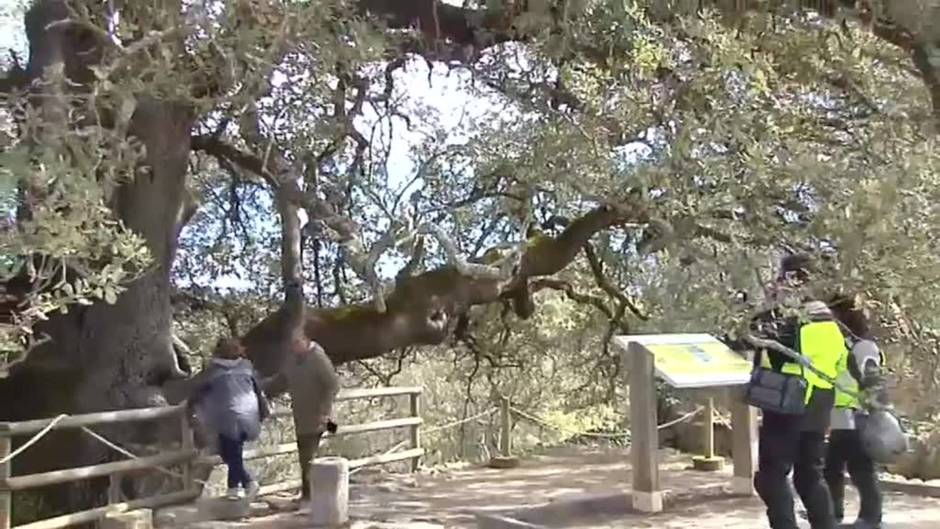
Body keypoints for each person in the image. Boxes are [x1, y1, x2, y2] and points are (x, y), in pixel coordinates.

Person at [748, 253, 847, 529]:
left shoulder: (785, 316)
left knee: (772, 475)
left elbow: (748, 339)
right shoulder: (828, 317)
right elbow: (840, 360)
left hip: (788, 400)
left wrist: (764, 306)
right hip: (821, 401)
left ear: (789, 278)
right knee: (809, 476)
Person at [189, 338, 270, 500]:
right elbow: (258, 389)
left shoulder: (213, 370)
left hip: (228, 417)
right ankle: (237, 487)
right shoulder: (246, 367)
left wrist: (190, 408)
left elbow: (198, 392)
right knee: (232, 451)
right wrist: (263, 412)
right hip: (249, 413)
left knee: (230, 451)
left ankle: (244, 484)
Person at [825, 336, 887, 529]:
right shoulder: (846, 343)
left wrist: (877, 410)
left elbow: (873, 379)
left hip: (854, 411)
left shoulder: (861, 347)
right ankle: (832, 512)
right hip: (840, 411)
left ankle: (870, 516)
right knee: (832, 466)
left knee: (860, 467)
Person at [283, 330, 340, 500]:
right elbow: (283, 378)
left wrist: (324, 411)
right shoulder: (293, 360)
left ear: (306, 341)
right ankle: (310, 493)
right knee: (305, 455)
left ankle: (311, 495)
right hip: (301, 415)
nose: (294, 347)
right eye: (292, 344)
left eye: (297, 343)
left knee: (308, 456)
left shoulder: (318, 358)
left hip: (318, 416)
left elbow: (332, 385)